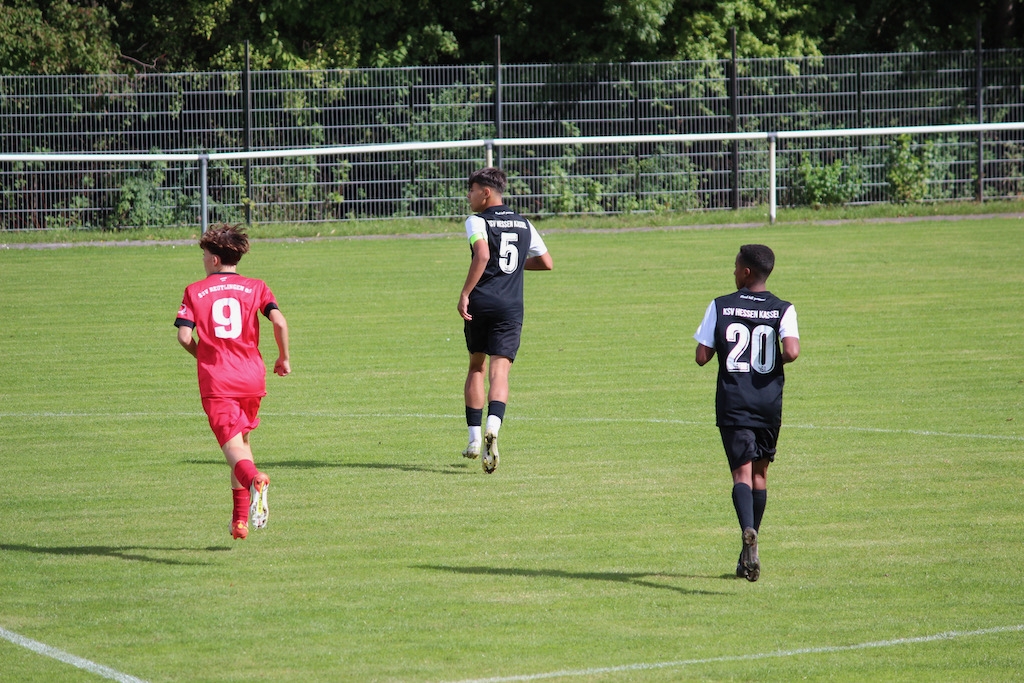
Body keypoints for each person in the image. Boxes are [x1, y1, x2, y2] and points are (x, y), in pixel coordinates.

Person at [175, 224, 291, 540]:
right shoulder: (257, 287)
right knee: (242, 443)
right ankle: (239, 519)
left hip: (219, 381)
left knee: (232, 449)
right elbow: (280, 322)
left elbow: (184, 336)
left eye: (204, 255)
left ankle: (255, 480)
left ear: (214, 259)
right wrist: (283, 358)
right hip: (252, 377)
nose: (203, 260)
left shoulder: (194, 290)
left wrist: (205, 357)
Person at [693, 244, 800, 581]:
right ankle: (747, 553)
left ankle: (747, 532)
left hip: (735, 401)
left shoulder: (720, 305)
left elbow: (701, 357)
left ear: (746, 272)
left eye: (735, 266)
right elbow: (792, 351)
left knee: (741, 475)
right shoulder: (783, 308)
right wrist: (767, 361)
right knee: (759, 477)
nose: (733, 271)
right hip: (768, 403)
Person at [458, 167, 553, 473]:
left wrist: (464, 293)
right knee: (500, 372)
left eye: (472, 190)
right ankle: (493, 427)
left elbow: (483, 255)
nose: (469, 196)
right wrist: (510, 266)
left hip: (481, 303)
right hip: (511, 307)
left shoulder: (477, 221)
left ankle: (474, 440)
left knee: (477, 366)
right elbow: (546, 262)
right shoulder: (524, 223)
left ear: (486, 193)